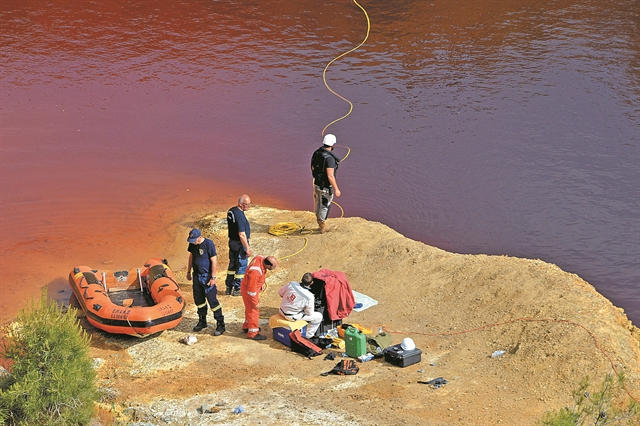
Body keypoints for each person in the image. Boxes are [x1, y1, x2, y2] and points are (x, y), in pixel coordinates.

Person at [186, 228, 225, 335]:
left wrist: (213, 277)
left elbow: (214, 261)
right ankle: (202, 321)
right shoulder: (192, 244)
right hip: (196, 276)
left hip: (206, 277)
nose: (192, 242)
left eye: (194, 240)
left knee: (213, 301)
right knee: (199, 301)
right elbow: (191, 256)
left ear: (199, 237)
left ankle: (220, 324)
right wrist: (189, 271)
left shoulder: (208, 244)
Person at [240, 255, 278, 340]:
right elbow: (251, 291)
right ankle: (253, 333)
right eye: (274, 267)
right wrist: (255, 303)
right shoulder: (256, 272)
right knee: (253, 311)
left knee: (249, 310)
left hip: (247, 287)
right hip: (249, 292)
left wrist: (262, 283)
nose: (274, 268)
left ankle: (247, 326)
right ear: (268, 265)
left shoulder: (260, 258)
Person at [310, 133, 341, 233]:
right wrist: (336, 189)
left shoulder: (316, 152)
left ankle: (320, 222)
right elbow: (330, 175)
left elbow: (313, 167)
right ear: (332, 144)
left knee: (319, 203)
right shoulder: (330, 158)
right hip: (326, 187)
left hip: (317, 183)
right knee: (324, 205)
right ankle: (322, 226)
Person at [278, 272, 323, 338]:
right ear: (311, 283)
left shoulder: (292, 284)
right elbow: (309, 313)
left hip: (281, 311)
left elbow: (280, 293)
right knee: (318, 316)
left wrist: (290, 301)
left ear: (301, 279)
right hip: (291, 317)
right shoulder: (309, 296)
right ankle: (308, 336)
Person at [225, 194, 252, 296]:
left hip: (232, 242)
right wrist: (247, 248)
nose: (249, 206)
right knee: (241, 265)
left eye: (250, 204)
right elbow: (241, 234)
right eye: (247, 204)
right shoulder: (240, 216)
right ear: (240, 204)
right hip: (240, 244)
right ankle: (237, 288)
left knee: (232, 265)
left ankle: (228, 286)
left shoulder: (231, 211)